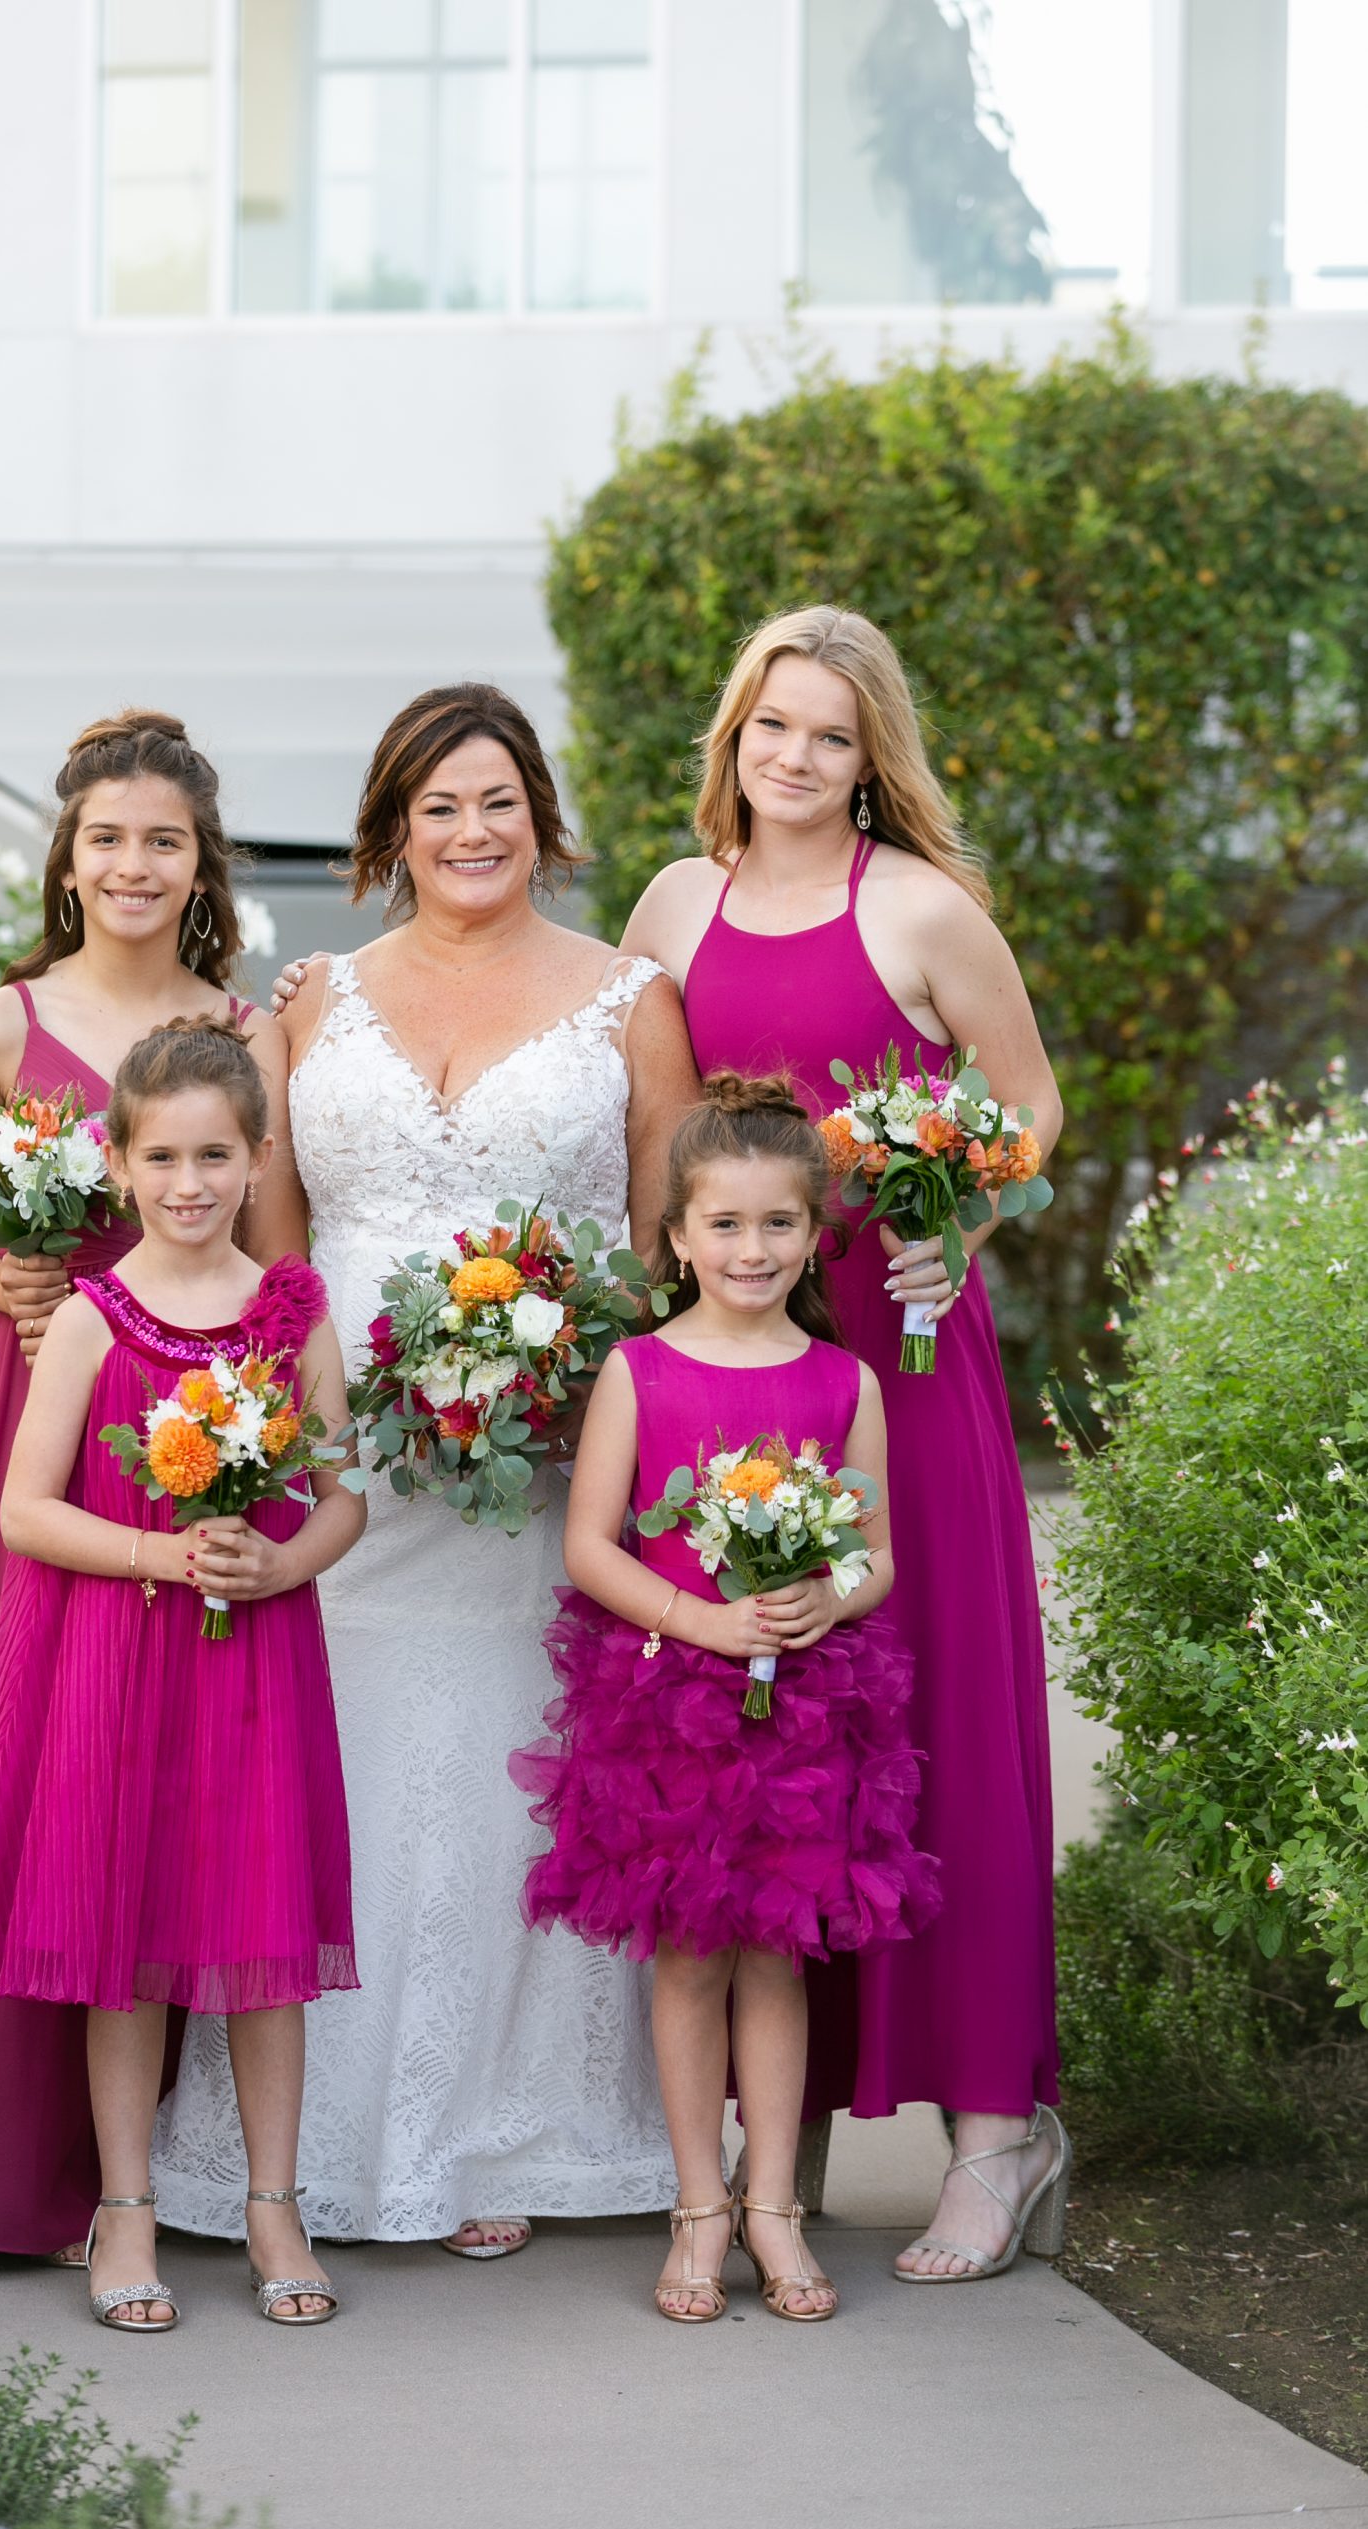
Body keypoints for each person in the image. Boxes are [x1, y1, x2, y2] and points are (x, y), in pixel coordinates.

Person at [152, 681, 700, 2254]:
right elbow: (275, 1244)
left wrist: (576, 1388)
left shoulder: (629, 1000)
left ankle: (497, 2137)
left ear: (540, 818)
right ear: (391, 831)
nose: (470, 832)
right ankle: (310, 2142)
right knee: (338, 1767)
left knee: (503, 1768)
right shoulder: (312, 999)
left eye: (496, 802)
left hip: (545, 1454)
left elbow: (666, 1244)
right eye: (437, 807)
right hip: (347, 1459)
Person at [621, 604, 1069, 2284]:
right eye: (770, 726)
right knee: (766, 1733)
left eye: (827, 733)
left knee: (937, 1728)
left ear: (869, 754)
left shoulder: (925, 910)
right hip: (731, 1373)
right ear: (732, 736)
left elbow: (1026, 1109)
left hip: (902, 1360)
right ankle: (779, 2132)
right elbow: (645, 1127)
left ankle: (995, 2136)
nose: (794, 758)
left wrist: (963, 1221)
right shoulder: (674, 905)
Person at [0, 711, 307, 2261]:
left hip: (202, 1435)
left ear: (201, 865)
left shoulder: (245, 1033)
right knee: (17, 1762)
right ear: (67, 857)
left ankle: (160, 2177)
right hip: (40, 1420)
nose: (132, 864)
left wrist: (263, 1448)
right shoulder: (1, 1025)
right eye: (106, 838)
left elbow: (282, 1259)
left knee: (164, 1788)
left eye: (161, 841)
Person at [0, 1016, 362, 2330]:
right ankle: (125, 2206)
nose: (190, 1183)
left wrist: (280, 1564)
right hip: (117, 1666)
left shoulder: (293, 1313)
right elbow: (23, 1510)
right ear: (119, 1164)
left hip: (256, 1666)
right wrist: (160, 1554)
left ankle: (273, 2203)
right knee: (122, 1940)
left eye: (216, 1156)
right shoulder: (89, 1320)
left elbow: (344, 1499)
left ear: (258, 1160)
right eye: (164, 1158)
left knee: (265, 1937)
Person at [514, 1075, 943, 2322]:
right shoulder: (641, 1371)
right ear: (679, 1234)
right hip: (668, 1706)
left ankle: (774, 2207)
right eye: (725, 1224)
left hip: (807, 1712)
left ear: (813, 1235)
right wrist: (699, 1618)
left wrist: (827, 1599)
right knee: (693, 1955)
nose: (752, 1249)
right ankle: (699, 2206)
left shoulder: (844, 1382)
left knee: (776, 1959)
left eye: (778, 1224)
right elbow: (590, 1544)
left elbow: (876, 1556)